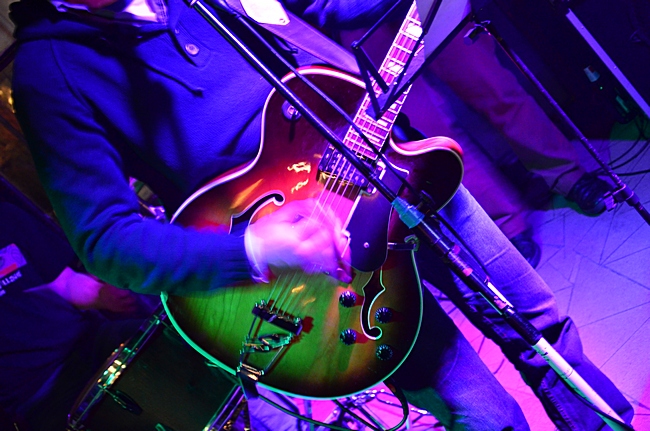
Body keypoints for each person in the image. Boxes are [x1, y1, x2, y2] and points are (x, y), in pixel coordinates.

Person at [8, 0, 634, 430]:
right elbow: (104, 238)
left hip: (396, 167)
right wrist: (253, 250)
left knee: (542, 328)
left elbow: (336, 6)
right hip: (307, 266)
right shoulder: (49, 69)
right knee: (483, 410)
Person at [0, 196, 152, 430]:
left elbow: (63, 282)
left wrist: (101, 295)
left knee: (165, 337)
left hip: (91, 342)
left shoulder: (6, 218)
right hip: (38, 393)